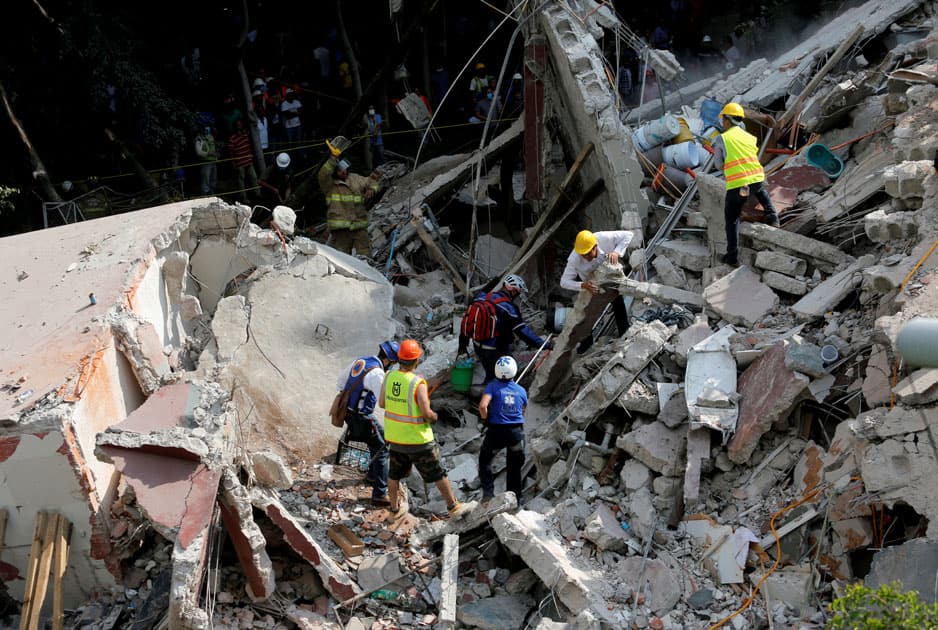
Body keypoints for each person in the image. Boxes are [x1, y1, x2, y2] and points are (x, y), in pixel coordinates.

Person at [378, 339, 477, 520]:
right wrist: (434, 416)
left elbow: (382, 403)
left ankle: (393, 510)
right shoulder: (418, 383)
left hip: (396, 439)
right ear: (416, 361)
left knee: (394, 475)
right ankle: (453, 507)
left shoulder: (389, 376)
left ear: (399, 359)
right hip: (418, 440)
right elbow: (426, 412)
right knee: (439, 474)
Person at [712, 102, 780, 266]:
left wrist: (729, 167)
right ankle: (773, 217)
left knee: (732, 219)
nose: (722, 123)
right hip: (756, 178)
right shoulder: (749, 137)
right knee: (761, 192)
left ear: (728, 121)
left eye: (723, 120)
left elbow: (718, 165)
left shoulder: (722, 138)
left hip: (738, 186)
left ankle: (732, 257)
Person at [335, 341, 399, 505]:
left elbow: (340, 382)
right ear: (389, 361)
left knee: (379, 439)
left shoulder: (361, 361)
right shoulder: (377, 373)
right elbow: (383, 401)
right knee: (383, 450)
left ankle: (372, 476)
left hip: (349, 413)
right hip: (362, 417)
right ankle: (379, 493)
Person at [458, 274, 551, 383]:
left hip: (478, 346)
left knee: (491, 374)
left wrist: (462, 344)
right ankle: (497, 397)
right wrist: (544, 345)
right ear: (512, 290)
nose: (517, 295)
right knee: (507, 377)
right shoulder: (508, 307)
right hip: (495, 350)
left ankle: (485, 394)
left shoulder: (481, 297)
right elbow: (523, 332)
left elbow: (468, 321)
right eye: (517, 292)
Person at [560, 230, 633, 349]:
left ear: (595, 246)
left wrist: (616, 252)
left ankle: (624, 331)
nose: (586, 257)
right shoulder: (574, 259)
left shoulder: (602, 238)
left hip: (609, 277)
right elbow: (564, 282)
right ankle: (586, 343)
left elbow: (628, 235)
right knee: (586, 313)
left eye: (588, 253)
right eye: (583, 255)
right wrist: (583, 285)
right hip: (591, 286)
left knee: (617, 302)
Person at [478, 356, 527, 504]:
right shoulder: (521, 390)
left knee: (485, 461)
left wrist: (485, 419)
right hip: (516, 433)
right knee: (514, 467)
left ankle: (488, 494)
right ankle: (515, 499)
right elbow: (523, 408)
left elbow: (482, 406)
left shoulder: (492, 387)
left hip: (496, 432)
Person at [318, 152, 380, 255]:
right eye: (340, 170)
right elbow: (322, 174)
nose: (343, 172)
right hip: (340, 230)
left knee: (365, 255)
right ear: (334, 172)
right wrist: (332, 158)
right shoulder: (329, 184)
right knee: (342, 258)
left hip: (359, 225)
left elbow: (371, 181)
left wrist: (372, 189)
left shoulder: (355, 178)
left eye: (345, 169)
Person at [227, 119, 258, 202]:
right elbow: (231, 152)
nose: (239, 126)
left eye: (240, 124)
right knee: (241, 180)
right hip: (240, 162)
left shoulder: (246, 133)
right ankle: (244, 197)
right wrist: (233, 162)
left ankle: (257, 194)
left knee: (254, 177)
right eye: (237, 125)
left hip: (248, 160)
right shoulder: (232, 138)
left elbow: (250, 145)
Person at [194, 120, 218, 195]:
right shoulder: (199, 138)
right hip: (205, 163)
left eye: (207, 126)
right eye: (204, 127)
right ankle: (204, 198)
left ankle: (212, 196)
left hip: (213, 162)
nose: (206, 128)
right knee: (205, 182)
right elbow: (199, 152)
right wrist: (209, 154)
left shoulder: (211, 136)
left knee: (213, 181)